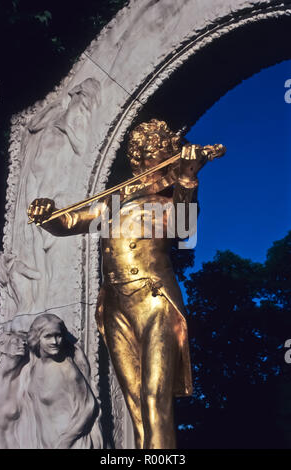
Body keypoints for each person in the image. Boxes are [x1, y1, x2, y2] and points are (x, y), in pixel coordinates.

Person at [27, 119, 225, 448]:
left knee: (154, 400)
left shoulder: (172, 199)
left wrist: (189, 176)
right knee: (134, 405)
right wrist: (50, 216)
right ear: (136, 157)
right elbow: (72, 221)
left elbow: (184, 230)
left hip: (154, 297)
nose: (154, 158)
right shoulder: (115, 201)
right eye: (147, 153)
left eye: (162, 152)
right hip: (115, 302)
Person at [17, 313, 99, 449]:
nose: (55, 342)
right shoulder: (32, 368)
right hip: (44, 442)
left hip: (69, 443)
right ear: (36, 339)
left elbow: (89, 406)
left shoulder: (66, 369)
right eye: (48, 336)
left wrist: (66, 441)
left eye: (58, 335)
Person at [0, 331, 28, 448]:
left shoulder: (23, 377)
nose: (22, 344)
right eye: (16, 342)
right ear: (2, 346)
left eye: (24, 342)